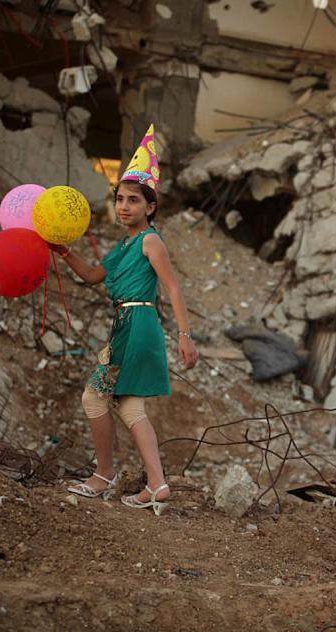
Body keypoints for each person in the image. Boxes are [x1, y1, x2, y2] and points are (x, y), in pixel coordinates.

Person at [52, 124, 198, 516]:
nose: (124, 207)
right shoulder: (125, 244)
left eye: (133, 200)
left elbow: (173, 289)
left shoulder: (150, 241)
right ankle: (157, 484)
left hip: (138, 325)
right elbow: (93, 277)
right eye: (119, 199)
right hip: (128, 325)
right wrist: (65, 253)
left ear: (150, 207)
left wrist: (184, 335)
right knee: (130, 407)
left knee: (93, 397)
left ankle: (104, 475)